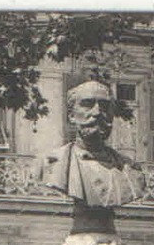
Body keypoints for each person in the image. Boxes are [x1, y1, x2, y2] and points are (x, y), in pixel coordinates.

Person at [41, 80, 145, 231]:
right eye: (88, 104)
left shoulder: (131, 170)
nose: (97, 112)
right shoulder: (53, 164)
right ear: (71, 115)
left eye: (104, 106)